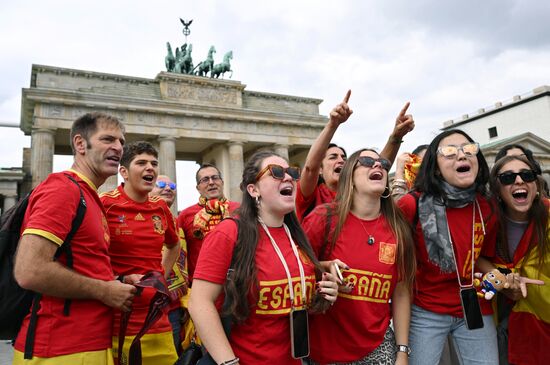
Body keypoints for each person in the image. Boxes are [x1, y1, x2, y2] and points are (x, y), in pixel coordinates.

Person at [189, 151, 339, 364]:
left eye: (291, 172)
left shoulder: (296, 236)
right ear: (253, 189)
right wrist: (229, 363)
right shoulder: (228, 233)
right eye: (276, 172)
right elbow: (199, 303)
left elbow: (294, 293)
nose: (288, 177)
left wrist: (324, 292)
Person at [12, 112, 136, 364]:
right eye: (108, 139)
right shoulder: (63, 189)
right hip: (60, 347)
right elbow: (29, 270)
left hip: (86, 343)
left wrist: (117, 281)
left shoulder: (89, 196)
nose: (119, 147)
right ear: (80, 144)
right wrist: (104, 290)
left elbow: (79, 264)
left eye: (121, 142)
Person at [302, 148, 416, 364]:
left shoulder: (398, 228)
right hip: (325, 351)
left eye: (382, 163)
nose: (378, 165)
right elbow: (296, 267)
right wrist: (324, 267)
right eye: (366, 161)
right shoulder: (323, 218)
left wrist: (402, 352)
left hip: (378, 347)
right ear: (350, 178)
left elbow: (401, 292)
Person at [397, 130, 499, 365]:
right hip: (425, 309)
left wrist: (499, 274)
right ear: (434, 167)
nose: (461, 155)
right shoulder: (410, 205)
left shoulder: (488, 207)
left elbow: (480, 258)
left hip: (475, 306)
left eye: (468, 149)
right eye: (450, 152)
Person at [101, 142, 180, 365]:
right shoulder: (105, 204)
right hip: (117, 323)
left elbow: (174, 245)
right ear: (123, 172)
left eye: (154, 163)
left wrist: (161, 275)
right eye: (142, 163)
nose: (150, 168)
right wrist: (116, 280)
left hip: (158, 320)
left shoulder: (161, 208)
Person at [296, 90, 415, 221]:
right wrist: (333, 125)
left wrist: (396, 136)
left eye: (344, 157)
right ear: (320, 169)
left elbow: (378, 166)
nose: (341, 160)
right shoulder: (312, 195)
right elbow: (310, 168)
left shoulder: (357, 194)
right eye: (333, 157)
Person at [489, 155, 548, 365]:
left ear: (536, 185)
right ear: (496, 190)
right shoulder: (485, 225)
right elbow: (476, 266)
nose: (519, 181)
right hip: (505, 329)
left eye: (526, 175)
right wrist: (504, 282)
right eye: (507, 177)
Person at [177, 164, 240, 283]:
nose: (211, 182)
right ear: (198, 187)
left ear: (222, 182)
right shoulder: (185, 215)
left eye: (215, 178)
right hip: (201, 284)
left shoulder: (241, 210)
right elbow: (179, 254)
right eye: (205, 180)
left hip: (236, 285)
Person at [150, 175, 189, 355]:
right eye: (161, 184)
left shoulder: (178, 225)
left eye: (172, 185)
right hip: (147, 306)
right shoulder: (140, 220)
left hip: (174, 309)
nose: (168, 188)